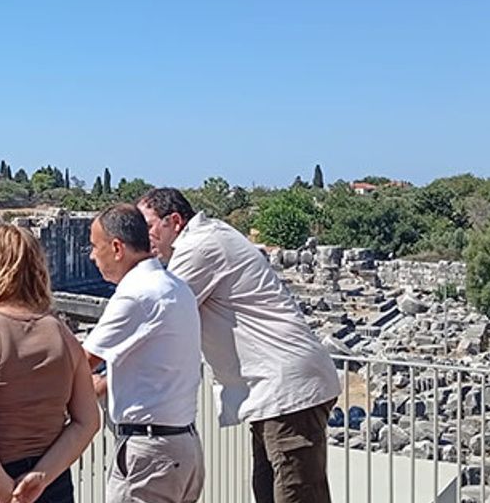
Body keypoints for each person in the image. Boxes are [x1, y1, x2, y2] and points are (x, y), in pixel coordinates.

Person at [137, 188, 341, 503]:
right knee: (273, 490)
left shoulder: (199, 246)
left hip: (286, 389)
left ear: (174, 221)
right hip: (276, 388)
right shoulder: (210, 236)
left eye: (148, 227)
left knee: (294, 494)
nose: (143, 237)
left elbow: (160, 314)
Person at [0, 225, 100, 503]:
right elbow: (87, 422)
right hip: (49, 485)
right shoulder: (63, 334)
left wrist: (6, 492)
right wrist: (40, 477)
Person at [83, 204, 204, 503]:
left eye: (95, 247)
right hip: (183, 446)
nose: (92, 256)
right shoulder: (176, 287)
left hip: (150, 452)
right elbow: (154, 364)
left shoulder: (135, 294)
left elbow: (80, 363)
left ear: (117, 248)